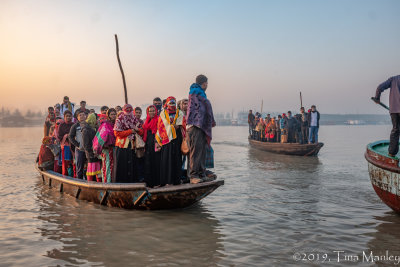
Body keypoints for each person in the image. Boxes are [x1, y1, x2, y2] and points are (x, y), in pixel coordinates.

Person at [186, 74, 216, 183]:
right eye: (206, 83)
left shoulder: (201, 94)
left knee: (202, 152)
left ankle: (201, 174)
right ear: (203, 83)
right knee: (195, 152)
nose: (207, 85)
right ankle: (193, 176)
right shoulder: (194, 92)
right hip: (195, 126)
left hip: (201, 126)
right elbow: (197, 110)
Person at [156, 97, 186, 186]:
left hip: (177, 139)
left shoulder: (179, 113)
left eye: (173, 103)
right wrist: (172, 127)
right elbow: (161, 126)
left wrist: (174, 126)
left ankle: (176, 180)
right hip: (166, 140)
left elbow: (181, 123)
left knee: (177, 159)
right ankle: (166, 181)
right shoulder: (163, 113)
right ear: (167, 104)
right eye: (170, 103)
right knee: (166, 160)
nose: (172, 105)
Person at [113, 104, 141, 183]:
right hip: (122, 145)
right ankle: (121, 183)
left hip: (132, 145)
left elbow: (140, 130)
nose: (128, 112)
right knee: (122, 165)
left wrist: (137, 130)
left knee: (131, 165)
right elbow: (117, 133)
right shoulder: (120, 119)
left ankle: (131, 182)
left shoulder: (134, 118)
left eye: (130, 110)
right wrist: (130, 131)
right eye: (127, 110)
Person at [374, 75, 400, 157]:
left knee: (395, 130)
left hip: (394, 110)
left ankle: (392, 153)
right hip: (395, 110)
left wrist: (377, 98)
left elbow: (379, 87)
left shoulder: (393, 79)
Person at [93, 108, 117, 183]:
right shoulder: (105, 125)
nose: (114, 116)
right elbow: (100, 137)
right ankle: (106, 183)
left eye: (114, 114)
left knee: (113, 167)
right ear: (108, 116)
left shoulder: (116, 124)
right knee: (107, 167)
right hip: (106, 150)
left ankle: (112, 183)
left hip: (114, 149)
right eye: (112, 114)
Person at [142, 105, 161, 187]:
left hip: (155, 144)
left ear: (156, 111)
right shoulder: (146, 121)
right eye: (150, 111)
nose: (152, 112)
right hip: (148, 145)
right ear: (147, 112)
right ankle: (149, 183)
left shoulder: (158, 120)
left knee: (156, 163)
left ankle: (156, 182)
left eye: (153, 111)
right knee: (148, 163)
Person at [81, 113, 101, 182]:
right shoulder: (85, 130)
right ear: (93, 119)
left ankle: (99, 184)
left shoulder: (95, 128)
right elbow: (86, 145)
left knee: (98, 171)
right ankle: (89, 184)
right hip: (91, 154)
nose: (98, 120)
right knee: (91, 170)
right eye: (96, 119)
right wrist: (92, 152)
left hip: (97, 153)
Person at [68, 110, 87, 179]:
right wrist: (77, 144)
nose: (82, 116)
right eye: (80, 115)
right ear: (77, 117)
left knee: (88, 167)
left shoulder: (88, 125)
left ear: (86, 116)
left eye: (83, 115)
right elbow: (70, 136)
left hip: (87, 150)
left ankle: (89, 182)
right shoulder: (75, 126)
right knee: (79, 168)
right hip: (80, 149)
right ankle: (79, 181)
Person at [57, 110, 74, 176]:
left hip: (73, 145)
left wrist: (69, 135)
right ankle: (65, 175)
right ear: (64, 117)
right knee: (66, 162)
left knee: (73, 161)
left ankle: (73, 176)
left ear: (72, 117)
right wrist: (66, 136)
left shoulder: (73, 125)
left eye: (70, 116)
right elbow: (59, 136)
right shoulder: (61, 125)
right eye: (67, 116)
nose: (68, 117)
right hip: (65, 145)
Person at [134, 106, 145, 181]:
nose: (138, 114)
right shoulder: (131, 121)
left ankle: (140, 177)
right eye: (136, 112)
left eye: (139, 113)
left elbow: (143, 132)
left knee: (140, 160)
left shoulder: (142, 122)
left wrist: (137, 129)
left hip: (140, 144)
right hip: (133, 144)